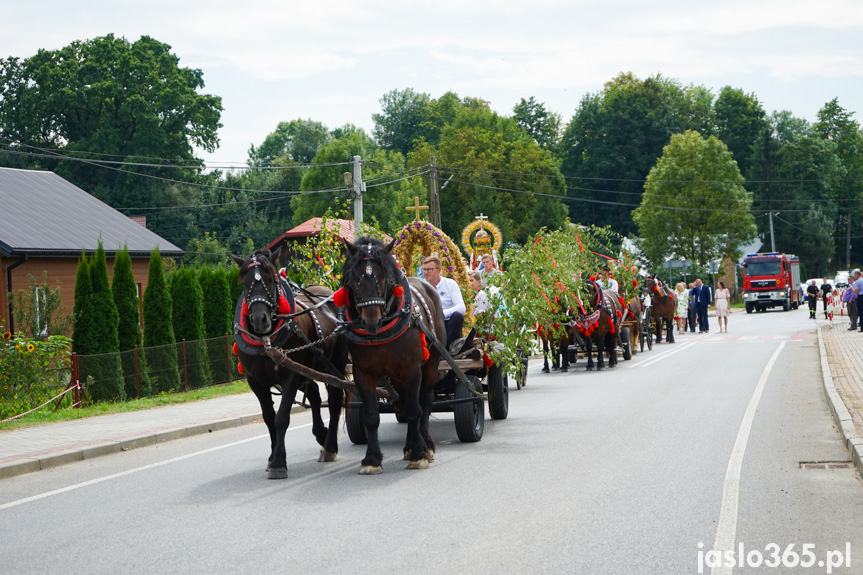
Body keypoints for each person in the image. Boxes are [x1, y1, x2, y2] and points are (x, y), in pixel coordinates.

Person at [422, 255, 466, 347]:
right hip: (429, 325)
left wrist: (442, 314)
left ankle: (445, 351)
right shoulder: (421, 286)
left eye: (429, 269)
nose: (426, 273)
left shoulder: (450, 284)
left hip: (447, 324)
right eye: (424, 270)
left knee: (458, 317)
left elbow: (461, 307)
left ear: (439, 270)